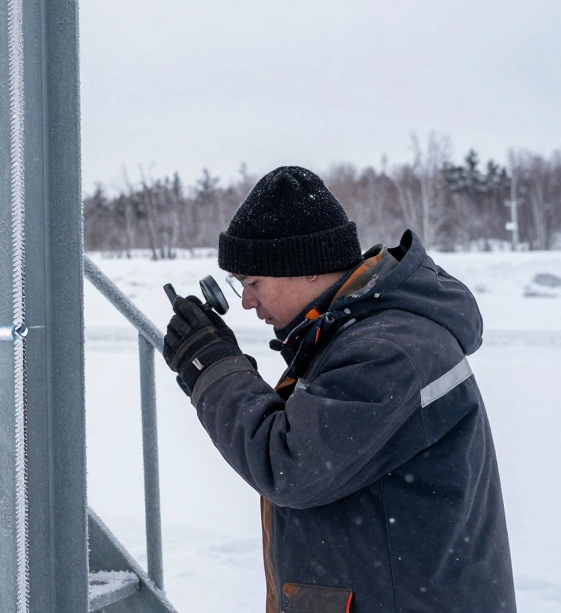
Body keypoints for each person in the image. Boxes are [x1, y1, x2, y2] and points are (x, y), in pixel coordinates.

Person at [162, 166, 515, 613]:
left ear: (306, 270)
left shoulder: (385, 352)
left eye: (252, 283)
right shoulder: (357, 336)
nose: (247, 301)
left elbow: (288, 464)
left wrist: (214, 369)